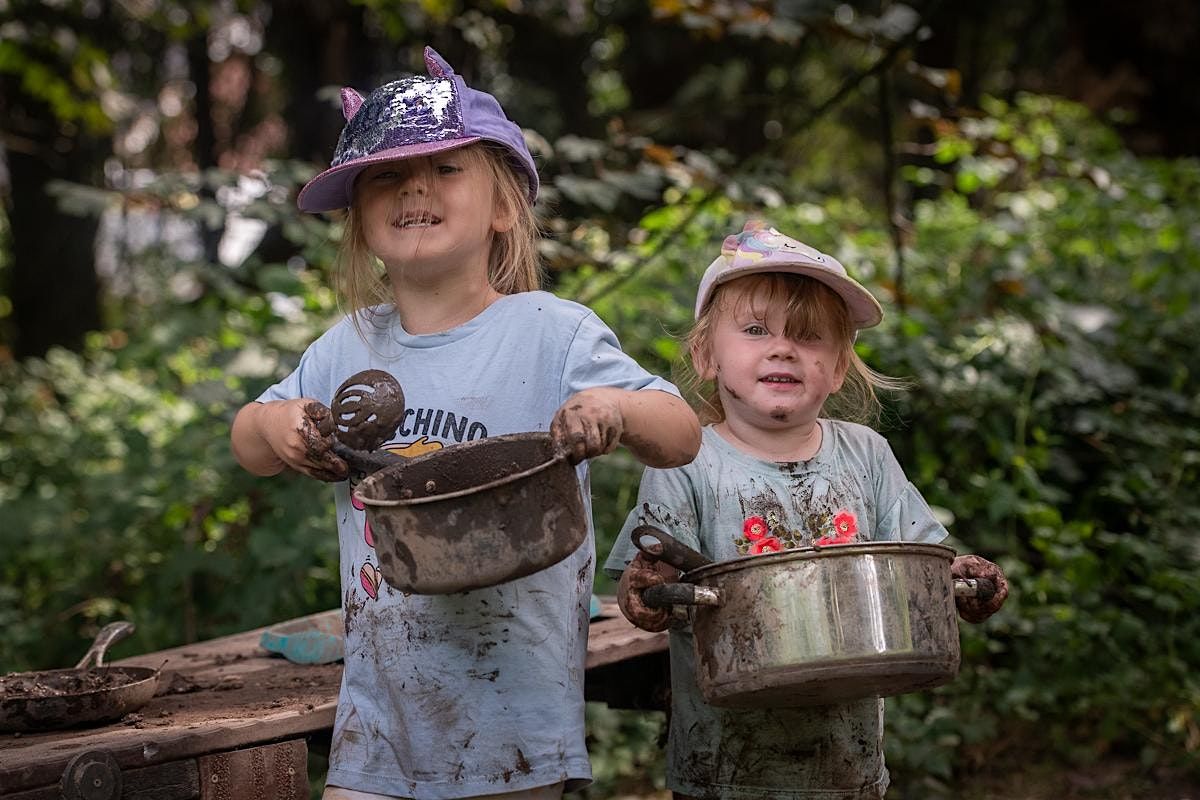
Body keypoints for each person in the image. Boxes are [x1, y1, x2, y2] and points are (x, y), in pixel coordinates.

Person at [231, 46, 701, 800]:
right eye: (386, 174)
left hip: (513, 727)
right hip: (378, 727)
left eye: (447, 168)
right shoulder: (345, 348)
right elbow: (247, 440)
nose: (415, 185)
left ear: (504, 208)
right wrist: (278, 425)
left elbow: (680, 432)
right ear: (359, 218)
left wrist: (615, 409)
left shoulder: (552, 333)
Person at [603, 222, 1008, 800]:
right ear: (706, 354)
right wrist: (645, 590)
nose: (783, 348)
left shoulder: (865, 454)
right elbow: (649, 582)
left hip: (847, 762)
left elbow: (923, 566)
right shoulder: (686, 460)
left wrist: (962, 579)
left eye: (810, 336)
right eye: (755, 330)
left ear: (838, 367)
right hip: (721, 766)